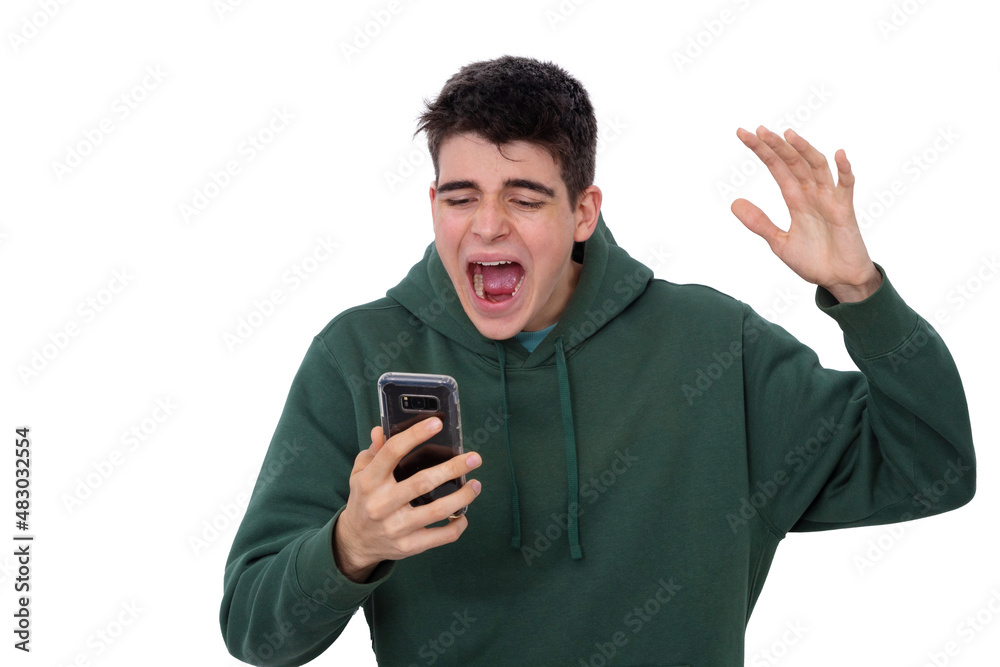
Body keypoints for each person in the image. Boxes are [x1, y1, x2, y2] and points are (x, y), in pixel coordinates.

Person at [220, 55, 976, 666]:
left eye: (523, 197)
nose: (487, 226)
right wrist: (351, 544)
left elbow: (934, 468)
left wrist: (859, 291)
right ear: (433, 205)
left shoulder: (714, 345)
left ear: (583, 210)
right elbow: (254, 631)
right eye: (460, 197)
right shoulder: (358, 357)